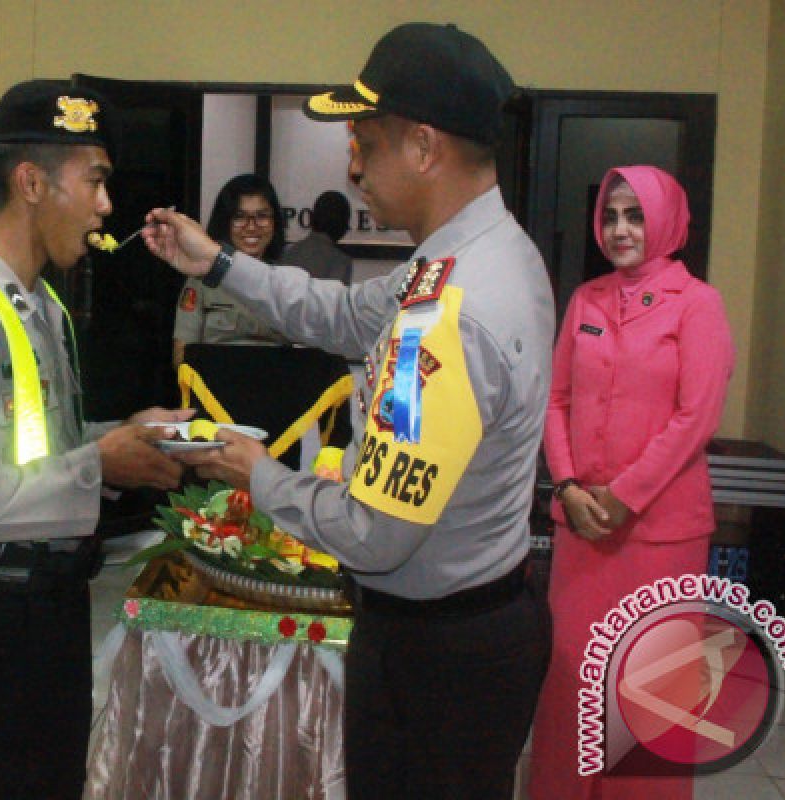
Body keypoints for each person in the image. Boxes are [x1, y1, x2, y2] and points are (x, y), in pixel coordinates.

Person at [142, 22, 554, 799]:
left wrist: (257, 473)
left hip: (441, 654)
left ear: (424, 147)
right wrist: (221, 264)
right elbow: (343, 315)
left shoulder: (458, 308)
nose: (351, 163)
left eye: (365, 140)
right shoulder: (468, 256)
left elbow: (376, 534)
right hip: (453, 626)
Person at [0, 80, 191, 800]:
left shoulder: (40, 308)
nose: (105, 206)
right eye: (94, 182)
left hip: (50, 611)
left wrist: (127, 437)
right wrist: (101, 463)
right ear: (30, 182)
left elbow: (38, 449)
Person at [527, 166, 734, 799]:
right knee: (570, 682)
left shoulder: (699, 305)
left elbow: (695, 415)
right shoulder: (586, 300)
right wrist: (566, 488)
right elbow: (555, 400)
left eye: (636, 215)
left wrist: (625, 495)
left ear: (668, 221)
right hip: (583, 527)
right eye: (612, 215)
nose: (621, 229)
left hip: (660, 534)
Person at [171, 173, 290, 367]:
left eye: (262, 216)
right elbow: (182, 358)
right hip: (215, 390)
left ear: (274, 222)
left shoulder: (286, 282)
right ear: (225, 221)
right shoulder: (202, 281)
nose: (251, 227)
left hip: (277, 389)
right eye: (239, 217)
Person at [283, 189, 354, 284]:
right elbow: (334, 297)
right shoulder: (341, 261)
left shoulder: (287, 253)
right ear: (341, 225)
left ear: (312, 218)